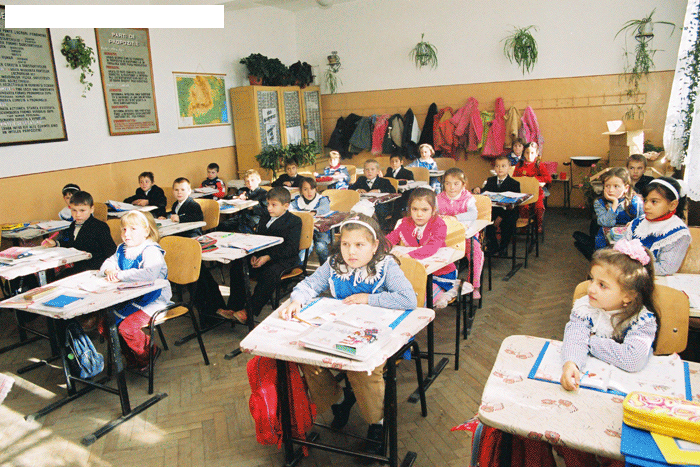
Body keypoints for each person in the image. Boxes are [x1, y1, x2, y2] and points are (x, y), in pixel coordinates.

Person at [278, 213, 416, 457]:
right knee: (306, 357)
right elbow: (309, 285)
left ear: (374, 246)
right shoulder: (334, 263)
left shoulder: (386, 266)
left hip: (378, 334)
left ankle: (377, 423)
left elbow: (408, 299)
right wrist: (297, 300)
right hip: (342, 331)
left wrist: (368, 298)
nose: (351, 251)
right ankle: (340, 401)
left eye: (359, 245)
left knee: (361, 368)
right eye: (345, 244)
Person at [560, 239, 657, 391]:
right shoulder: (585, 308)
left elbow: (632, 359)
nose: (591, 289)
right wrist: (571, 364)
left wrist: (589, 341)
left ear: (628, 296)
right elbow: (574, 338)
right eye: (591, 279)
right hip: (592, 381)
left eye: (602, 285)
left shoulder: (642, 320)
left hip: (627, 387)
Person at [214, 187, 302, 323]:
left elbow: (291, 248)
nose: (269, 208)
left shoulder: (294, 221)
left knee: (270, 273)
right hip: (263, 256)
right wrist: (254, 254)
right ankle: (233, 307)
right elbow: (259, 239)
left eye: (274, 205)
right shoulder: (264, 218)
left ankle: (249, 311)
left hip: (283, 259)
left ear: (286, 206)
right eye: (268, 204)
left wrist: (268, 257)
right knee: (238, 265)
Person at [99, 211, 171, 371]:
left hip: (154, 299)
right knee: (105, 325)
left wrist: (120, 275)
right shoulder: (122, 249)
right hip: (130, 296)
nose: (126, 234)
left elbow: (149, 274)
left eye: (133, 229)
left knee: (127, 327)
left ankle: (148, 353)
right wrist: (109, 270)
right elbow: (109, 262)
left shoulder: (151, 250)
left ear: (146, 231)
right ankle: (130, 354)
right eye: (124, 229)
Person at [386, 187, 457, 309]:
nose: (419, 214)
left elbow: (432, 247)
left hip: (439, 274)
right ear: (409, 209)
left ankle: (447, 292)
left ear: (433, 210)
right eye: (414, 209)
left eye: (425, 210)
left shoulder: (439, 224)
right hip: (414, 273)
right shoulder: (405, 223)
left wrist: (409, 256)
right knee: (399, 295)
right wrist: (377, 248)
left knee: (419, 300)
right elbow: (390, 238)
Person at [624, 177, 691, 275]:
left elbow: (665, 268)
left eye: (654, 201)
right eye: (645, 200)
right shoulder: (637, 223)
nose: (646, 206)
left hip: (657, 279)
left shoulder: (678, 233)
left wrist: (629, 267)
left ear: (672, 205)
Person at [573, 168, 643, 260]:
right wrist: (614, 203)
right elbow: (607, 223)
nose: (611, 190)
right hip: (605, 241)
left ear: (626, 188)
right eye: (607, 186)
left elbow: (642, 222)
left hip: (627, 241)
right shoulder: (600, 202)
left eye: (616, 186)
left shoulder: (635, 202)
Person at [42, 190, 116, 273]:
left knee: (58, 276)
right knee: (49, 272)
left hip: (93, 268)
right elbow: (68, 243)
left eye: (82, 210)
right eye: (74, 210)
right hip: (77, 266)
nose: (77, 214)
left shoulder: (100, 227)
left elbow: (111, 253)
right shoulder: (73, 225)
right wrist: (56, 243)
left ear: (91, 209)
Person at [437, 168, 484, 298]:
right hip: (444, 238)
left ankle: (474, 285)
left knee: (476, 253)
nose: (451, 187)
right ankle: (442, 284)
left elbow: (473, 214)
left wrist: (455, 218)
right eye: (447, 183)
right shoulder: (439, 198)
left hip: (465, 237)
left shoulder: (467, 198)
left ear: (463, 185)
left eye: (456, 184)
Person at [474, 155, 521, 256]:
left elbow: (514, 204)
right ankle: (493, 245)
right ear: (494, 168)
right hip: (494, 210)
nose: (500, 169)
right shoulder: (490, 180)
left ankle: (504, 247)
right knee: (485, 221)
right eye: (497, 166)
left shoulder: (514, 184)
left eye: (503, 166)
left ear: (509, 167)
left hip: (508, 212)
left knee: (508, 223)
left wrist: (501, 217)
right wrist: (477, 189)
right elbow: (484, 192)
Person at [290, 177, 332, 265]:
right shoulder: (298, 201)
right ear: (301, 191)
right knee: (306, 246)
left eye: (312, 189)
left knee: (320, 247)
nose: (309, 192)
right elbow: (289, 207)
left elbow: (324, 208)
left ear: (316, 189)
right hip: (304, 230)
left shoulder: (322, 199)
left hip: (320, 230)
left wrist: (313, 213)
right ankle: (300, 267)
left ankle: (325, 266)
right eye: (305, 189)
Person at [513, 142, 551, 232]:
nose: (529, 155)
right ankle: (524, 226)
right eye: (527, 153)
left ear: (537, 153)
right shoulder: (520, 164)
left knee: (539, 207)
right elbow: (514, 178)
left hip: (537, 193)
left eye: (532, 153)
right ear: (523, 153)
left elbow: (548, 178)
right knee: (523, 207)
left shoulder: (539, 164)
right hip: (523, 193)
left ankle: (539, 225)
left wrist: (534, 179)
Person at [220, 169, 267, 234]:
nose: (250, 183)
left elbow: (266, 210)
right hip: (241, 217)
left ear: (259, 180)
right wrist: (237, 197)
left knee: (243, 228)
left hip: (254, 218)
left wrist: (253, 208)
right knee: (222, 225)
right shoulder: (242, 190)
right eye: (247, 181)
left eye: (252, 180)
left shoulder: (264, 193)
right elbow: (227, 198)